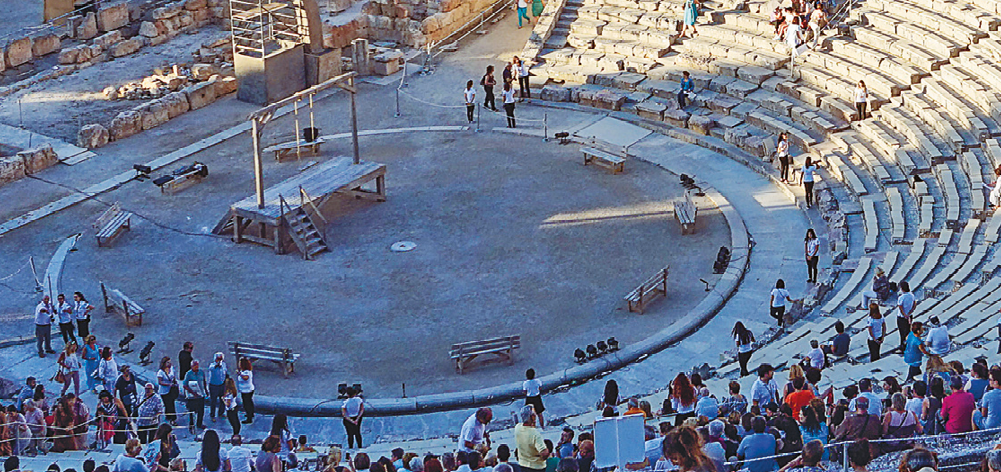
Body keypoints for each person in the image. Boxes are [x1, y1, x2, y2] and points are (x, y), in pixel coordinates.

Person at [514, 405, 549, 472]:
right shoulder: (535, 434)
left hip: (523, 464)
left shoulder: (517, 428)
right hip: (536, 467)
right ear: (532, 417)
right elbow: (544, 453)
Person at [183, 360, 207, 430]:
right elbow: (185, 385)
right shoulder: (188, 374)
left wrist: (206, 390)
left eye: (197, 365)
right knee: (192, 411)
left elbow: (204, 381)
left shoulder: (201, 372)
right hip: (192, 396)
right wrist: (193, 392)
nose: (196, 367)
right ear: (191, 366)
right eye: (194, 365)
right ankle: (191, 424)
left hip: (201, 394)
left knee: (201, 411)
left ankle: (199, 424)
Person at [157, 357, 179, 425]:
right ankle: (171, 417)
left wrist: (175, 382)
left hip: (171, 390)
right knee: (168, 404)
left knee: (171, 404)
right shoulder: (160, 372)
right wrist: (168, 384)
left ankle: (171, 417)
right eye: (168, 362)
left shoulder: (171, 368)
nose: (169, 363)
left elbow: (173, 376)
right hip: (164, 391)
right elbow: (160, 382)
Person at [206, 353, 227, 423]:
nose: (219, 360)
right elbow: (211, 368)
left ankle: (221, 412)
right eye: (218, 359)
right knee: (213, 401)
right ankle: (212, 415)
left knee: (222, 400)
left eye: (221, 359)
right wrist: (216, 365)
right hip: (213, 385)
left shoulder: (223, 365)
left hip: (221, 384)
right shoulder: (212, 366)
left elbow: (225, 372)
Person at [896, 281, 915, 350]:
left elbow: (900, 307)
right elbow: (914, 305)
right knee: (907, 331)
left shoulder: (902, 297)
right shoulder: (911, 295)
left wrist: (904, 315)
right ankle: (907, 345)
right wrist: (909, 313)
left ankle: (903, 347)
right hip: (909, 316)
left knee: (902, 333)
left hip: (902, 317)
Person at [237, 357, 255, 424]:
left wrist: (240, 374)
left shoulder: (246, 372)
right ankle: (251, 413)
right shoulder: (244, 371)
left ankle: (249, 418)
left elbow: (245, 378)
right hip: (246, 389)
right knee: (249, 402)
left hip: (246, 390)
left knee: (246, 404)